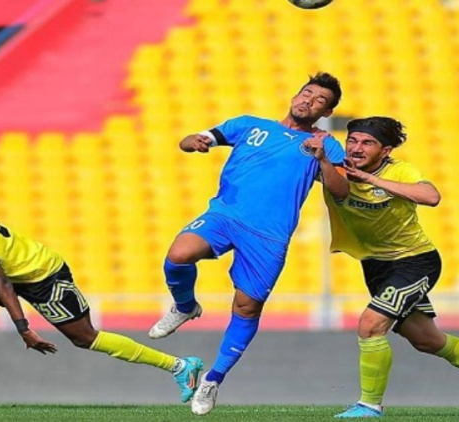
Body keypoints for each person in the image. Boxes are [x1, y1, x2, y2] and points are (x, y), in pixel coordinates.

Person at [147, 72, 351, 415]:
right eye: (307, 93)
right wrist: (192, 142)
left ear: (325, 111)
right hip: (224, 215)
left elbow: (341, 191)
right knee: (178, 254)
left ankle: (212, 380)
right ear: (295, 94)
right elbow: (194, 139)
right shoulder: (248, 125)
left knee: (246, 308)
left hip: (269, 235)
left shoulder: (325, 145)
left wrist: (323, 160)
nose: (309, 101)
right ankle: (184, 306)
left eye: (319, 101)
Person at [0, 189, 203, 409]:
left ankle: (179, 366)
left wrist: (24, 328)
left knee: (85, 338)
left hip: (42, 275)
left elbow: (1, 283)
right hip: (3, 273)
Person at [319, 116, 459, 418]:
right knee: (428, 340)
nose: (357, 148)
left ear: (384, 151)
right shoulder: (336, 168)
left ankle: (369, 406)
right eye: (352, 140)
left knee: (370, 326)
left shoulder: (400, 170)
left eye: (367, 142)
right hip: (377, 266)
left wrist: (371, 180)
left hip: (414, 261)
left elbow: (431, 196)